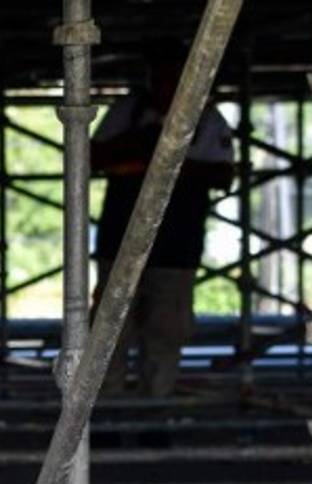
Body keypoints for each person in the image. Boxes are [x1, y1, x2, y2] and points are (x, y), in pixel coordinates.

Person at [91, 45, 235, 397]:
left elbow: (221, 174)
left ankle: (155, 403)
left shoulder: (206, 118)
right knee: (109, 328)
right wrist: (149, 152)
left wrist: (158, 163)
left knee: (166, 329)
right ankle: (101, 406)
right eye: (162, 75)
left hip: (176, 244)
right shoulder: (128, 111)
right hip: (121, 239)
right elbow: (94, 156)